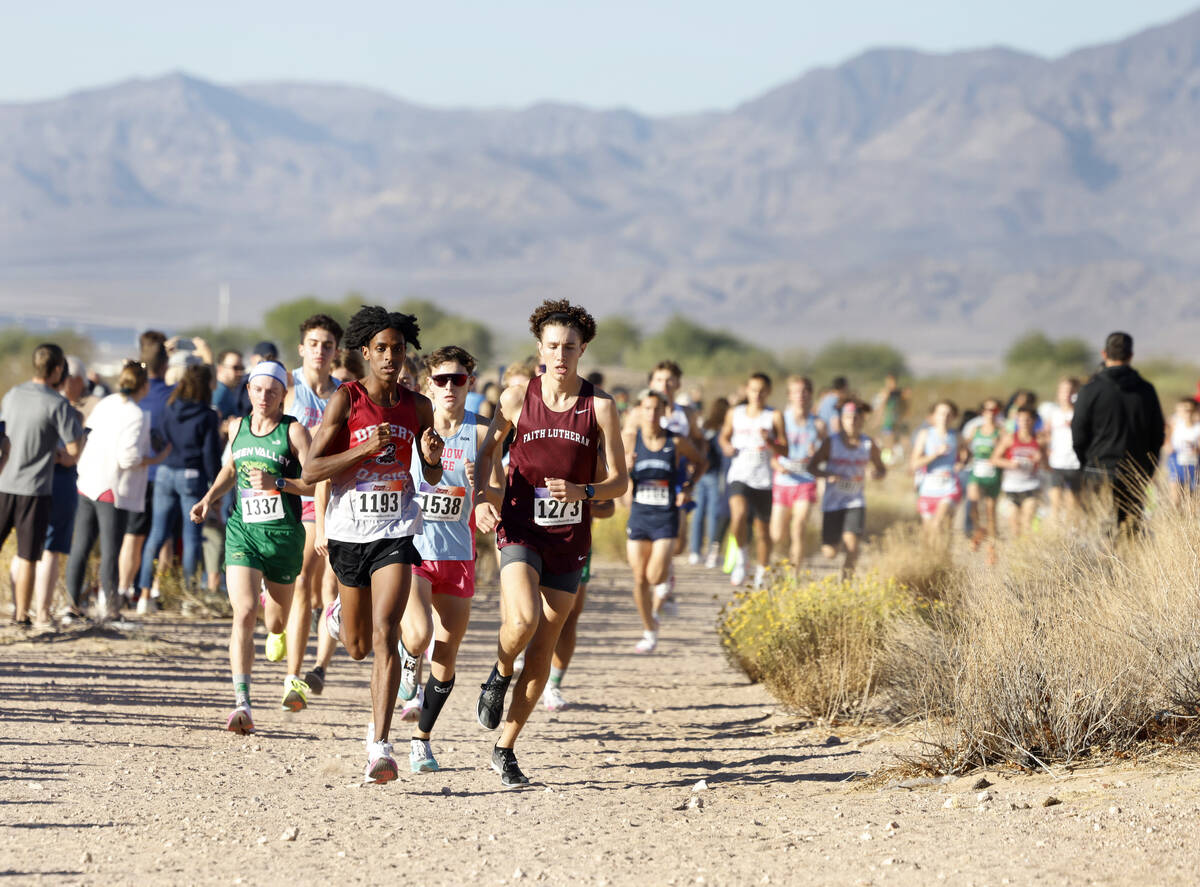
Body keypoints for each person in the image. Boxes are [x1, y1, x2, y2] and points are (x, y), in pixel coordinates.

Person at [473, 299, 628, 787]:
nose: (561, 356)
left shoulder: (600, 407)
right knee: (522, 619)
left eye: (570, 348)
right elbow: (486, 455)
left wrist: (584, 491)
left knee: (544, 647)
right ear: (540, 348)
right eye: (553, 346)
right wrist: (481, 499)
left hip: (569, 538)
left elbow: (620, 481)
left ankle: (506, 748)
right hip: (520, 526)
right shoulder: (519, 397)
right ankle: (498, 673)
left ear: (583, 350)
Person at [303, 306, 445, 784]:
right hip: (348, 532)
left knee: (387, 633)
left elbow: (430, 473)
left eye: (398, 348)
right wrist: (362, 449)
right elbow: (311, 471)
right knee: (360, 645)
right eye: (381, 349)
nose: (390, 357)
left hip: (395, 530)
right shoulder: (347, 399)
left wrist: (430, 459)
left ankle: (380, 746)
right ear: (365, 352)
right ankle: (338, 618)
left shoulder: (418, 405)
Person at [191, 361, 314, 733]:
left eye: (272, 392)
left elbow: (313, 482)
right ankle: (242, 702)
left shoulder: (293, 431)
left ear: (282, 395)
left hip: (283, 538)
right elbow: (231, 468)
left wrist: (278, 482)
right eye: (258, 390)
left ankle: (275, 628)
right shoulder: (237, 426)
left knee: (275, 620)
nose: (264, 397)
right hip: (243, 532)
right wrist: (209, 498)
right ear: (248, 391)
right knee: (243, 611)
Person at [398, 345, 498, 771]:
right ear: (428, 386)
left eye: (458, 379)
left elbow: (495, 488)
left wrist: (484, 500)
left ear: (470, 384)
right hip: (415, 548)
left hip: (458, 554)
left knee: (446, 657)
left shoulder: (482, 434)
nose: (450, 387)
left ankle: (422, 740)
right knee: (419, 635)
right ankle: (406, 656)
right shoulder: (412, 427)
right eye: (441, 380)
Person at [278, 314, 344, 704]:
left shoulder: (344, 393)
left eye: (328, 345)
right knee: (301, 580)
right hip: (296, 496)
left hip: (336, 499)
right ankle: (290, 670)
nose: (320, 351)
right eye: (314, 343)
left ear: (337, 351)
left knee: (331, 583)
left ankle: (315, 669)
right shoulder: (288, 388)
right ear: (302, 348)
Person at [65, 362, 161, 620]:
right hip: (111, 487)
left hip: (87, 481)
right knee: (111, 550)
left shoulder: (105, 403)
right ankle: (111, 610)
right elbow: (127, 458)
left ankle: (71, 606)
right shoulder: (136, 414)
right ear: (144, 385)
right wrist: (153, 458)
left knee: (81, 547)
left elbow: (87, 433)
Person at [0, 343, 85, 625]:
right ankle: (22, 615)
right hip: (35, 488)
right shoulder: (56, 403)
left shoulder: (12, 395)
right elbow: (73, 450)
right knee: (28, 556)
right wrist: (61, 454)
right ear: (58, 369)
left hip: (4, 480)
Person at [623, 388, 706, 652]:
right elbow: (612, 470)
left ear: (663, 412)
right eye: (646, 408)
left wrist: (689, 487)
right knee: (639, 579)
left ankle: (665, 584)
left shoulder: (676, 441)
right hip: (639, 514)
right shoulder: (630, 439)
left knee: (654, 575)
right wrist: (626, 467)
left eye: (656, 409)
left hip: (665, 516)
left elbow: (701, 462)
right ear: (639, 411)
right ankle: (649, 630)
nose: (651, 413)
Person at [136, 364, 221, 611]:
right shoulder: (206, 415)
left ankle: (144, 595)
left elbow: (156, 434)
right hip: (191, 476)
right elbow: (210, 455)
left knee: (157, 534)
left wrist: (164, 452)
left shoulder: (170, 406)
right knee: (192, 536)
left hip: (164, 470)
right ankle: (187, 596)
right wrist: (215, 489)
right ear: (206, 385)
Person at [1072, 332, 1164, 530]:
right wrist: (1147, 468)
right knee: (1130, 530)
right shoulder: (1146, 390)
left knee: (1099, 533)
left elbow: (1078, 433)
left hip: (1098, 470)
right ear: (1131, 355)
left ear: (1104, 354)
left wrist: (1086, 463)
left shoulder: (1090, 390)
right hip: (1134, 471)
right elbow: (1158, 434)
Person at [22, 356, 88, 626]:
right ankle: (42, 613)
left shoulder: (23, 399)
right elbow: (73, 452)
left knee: (25, 550)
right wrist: (64, 455)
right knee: (50, 549)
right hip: (58, 481)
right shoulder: (65, 409)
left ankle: (20, 608)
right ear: (67, 378)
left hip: (25, 481)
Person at [119, 332, 172, 611]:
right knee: (161, 538)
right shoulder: (170, 394)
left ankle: (124, 590)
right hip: (160, 474)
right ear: (165, 364)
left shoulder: (127, 395)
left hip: (130, 476)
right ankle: (151, 592)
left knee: (131, 537)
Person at [719, 373, 786, 588]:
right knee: (737, 515)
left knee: (762, 532)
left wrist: (771, 441)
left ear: (768, 392)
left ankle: (761, 572)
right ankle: (742, 557)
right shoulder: (735, 413)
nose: (757, 394)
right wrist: (726, 446)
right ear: (746, 390)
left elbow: (785, 448)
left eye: (762, 390)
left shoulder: (774, 416)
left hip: (763, 479)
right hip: (739, 474)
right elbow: (723, 436)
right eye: (753, 389)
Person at [808, 400, 886, 579]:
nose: (851, 421)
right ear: (841, 420)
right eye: (847, 417)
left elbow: (881, 469)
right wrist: (827, 474)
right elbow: (812, 467)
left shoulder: (868, 444)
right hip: (832, 503)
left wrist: (877, 473)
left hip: (855, 500)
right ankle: (837, 540)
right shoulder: (831, 442)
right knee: (829, 553)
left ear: (861, 420)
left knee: (852, 546)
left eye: (855, 418)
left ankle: (846, 583)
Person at [770, 377, 825, 568]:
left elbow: (825, 456)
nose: (800, 395)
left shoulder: (818, 425)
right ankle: (783, 558)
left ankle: (795, 572)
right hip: (783, 480)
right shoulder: (780, 420)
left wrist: (816, 454)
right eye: (796, 391)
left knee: (798, 526)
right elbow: (770, 453)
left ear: (810, 394)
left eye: (804, 391)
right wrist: (778, 466)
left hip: (806, 480)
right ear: (789, 396)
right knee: (777, 535)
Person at [911, 400, 962, 538]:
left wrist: (962, 462)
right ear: (933, 416)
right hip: (928, 488)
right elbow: (914, 464)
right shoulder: (925, 434)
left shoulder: (956, 436)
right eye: (941, 414)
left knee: (938, 525)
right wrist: (935, 454)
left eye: (948, 414)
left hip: (949, 487)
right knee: (929, 534)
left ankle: (944, 556)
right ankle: (937, 558)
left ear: (953, 417)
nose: (944, 417)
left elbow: (965, 454)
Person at [688, 397, 729, 568]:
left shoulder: (705, 426)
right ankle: (712, 552)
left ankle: (695, 552)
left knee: (697, 514)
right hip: (714, 474)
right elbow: (722, 454)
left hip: (700, 473)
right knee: (713, 514)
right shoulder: (721, 430)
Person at [993, 406, 1045, 539]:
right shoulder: (1009, 439)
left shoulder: (1039, 440)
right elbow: (994, 459)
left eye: (1027, 420)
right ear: (1017, 421)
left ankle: (1028, 554)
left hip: (1031, 486)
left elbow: (1047, 466)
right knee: (1015, 526)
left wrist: (1041, 458)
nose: (1024, 423)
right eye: (1021, 420)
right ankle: (1018, 553)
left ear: (1033, 421)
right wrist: (1010, 464)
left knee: (1027, 522)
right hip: (1011, 487)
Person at [962, 398, 1003, 560]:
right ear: (982, 412)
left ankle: (992, 548)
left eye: (995, 410)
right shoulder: (976, 429)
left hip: (993, 474)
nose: (991, 413)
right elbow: (966, 447)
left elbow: (1007, 449)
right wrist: (963, 457)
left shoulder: (1000, 432)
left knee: (990, 511)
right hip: (977, 472)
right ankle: (978, 530)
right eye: (987, 410)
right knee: (972, 502)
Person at [1041, 377, 1083, 520]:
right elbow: (1044, 437)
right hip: (1056, 463)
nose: (1066, 394)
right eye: (1063, 391)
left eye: (1070, 391)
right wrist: (1046, 451)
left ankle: (1071, 536)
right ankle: (1055, 536)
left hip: (1075, 462)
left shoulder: (1080, 413)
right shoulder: (1053, 414)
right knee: (1055, 503)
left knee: (1073, 504)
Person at [1162, 396, 1200, 506]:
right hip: (1176, 461)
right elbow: (1166, 438)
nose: (1186, 413)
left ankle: (1191, 519)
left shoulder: (1197, 427)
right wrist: (1168, 445)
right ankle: (1175, 517)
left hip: (1194, 464)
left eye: (1189, 410)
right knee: (1175, 496)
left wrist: (1195, 449)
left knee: (1193, 497)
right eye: (1182, 410)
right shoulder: (1175, 424)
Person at [212, 350, 246, 421]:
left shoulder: (227, 390)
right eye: (236, 368)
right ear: (220, 368)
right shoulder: (219, 391)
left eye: (242, 368)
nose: (240, 372)